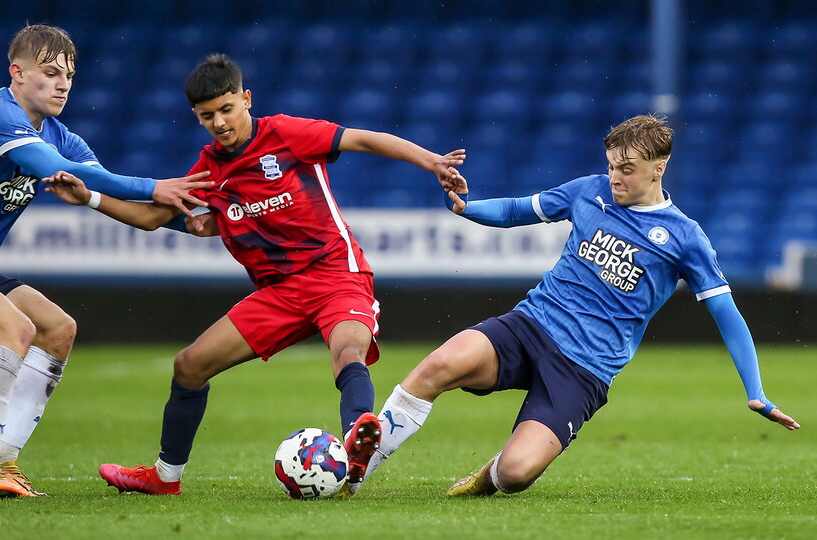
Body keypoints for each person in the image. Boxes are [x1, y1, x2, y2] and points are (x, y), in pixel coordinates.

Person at [42, 53, 465, 495]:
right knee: (189, 366)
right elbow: (153, 217)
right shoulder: (209, 171)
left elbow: (366, 140)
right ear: (196, 117)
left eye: (226, 109)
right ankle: (165, 478)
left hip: (336, 273)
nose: (220, 122)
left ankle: (357, 442)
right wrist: (90, 198)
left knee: (348, 352)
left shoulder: (286, 134)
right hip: (279, 294)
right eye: (207, 116)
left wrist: (431, 161)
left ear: (246, 98)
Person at [348, 114, 800, 498]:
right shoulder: (590, 191)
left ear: (659, 168)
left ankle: (491, 473)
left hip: (585, 370)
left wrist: (755, 391)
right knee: (435, 367)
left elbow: (728, 316)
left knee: (517, 474)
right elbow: (514, 211)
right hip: (530, 326)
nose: (616, 177)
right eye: (611, 166)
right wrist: (466, 208)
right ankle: (356, 469)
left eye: (627, 168)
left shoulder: (685, 238)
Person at [0, 24, 212, 498]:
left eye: (69, 77)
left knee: (58, 329)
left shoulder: (61, 138)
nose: (62, 85)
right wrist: (154, 185)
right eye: (50, 72)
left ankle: (6, 461)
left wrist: (202, 219)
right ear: (16, 72)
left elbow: (122, 202)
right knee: (16, 329)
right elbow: (73, 173)